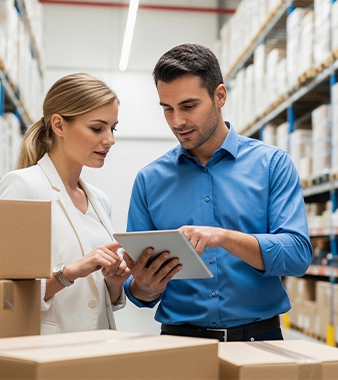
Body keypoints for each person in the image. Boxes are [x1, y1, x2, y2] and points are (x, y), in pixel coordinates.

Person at [122, 44, 312, 341]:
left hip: (258, 341)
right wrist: (145, 286)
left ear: (219, 96)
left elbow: (297, 255)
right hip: (179, 343)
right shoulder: (149, 181)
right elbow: (139, 291)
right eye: (167, 109)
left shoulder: (272, 165)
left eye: (188, 106)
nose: (177, 122)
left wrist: (223, 237)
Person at [0, 73, 130, 334]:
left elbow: (95, 298)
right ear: (59, 125)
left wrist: (113, 283)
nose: (110, 139)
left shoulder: (99, 200)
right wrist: (69, 272)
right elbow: (1, 292)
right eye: (97, 128)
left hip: (95, 352)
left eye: (113, 128)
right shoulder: (23, 187)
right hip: (45, 352)